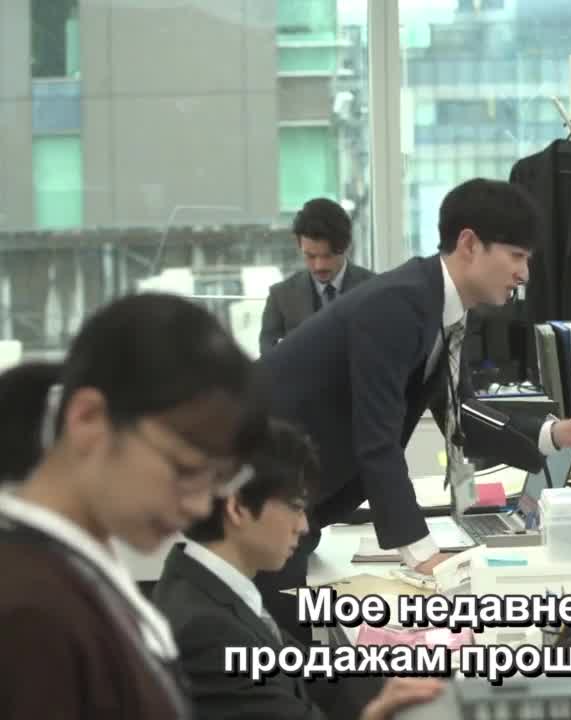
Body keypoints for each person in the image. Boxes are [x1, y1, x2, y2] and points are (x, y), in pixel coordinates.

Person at [255, 178, 571, 634]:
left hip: (299, 498)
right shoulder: (397, 304)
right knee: (279, 648)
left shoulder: (440, 306)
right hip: (260, 491)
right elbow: (376, 438)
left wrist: (557, 433)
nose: (524, 274)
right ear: (470, 244)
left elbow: (460, 415)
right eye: (517, 256)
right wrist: (422, 553)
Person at [0, 293, 270, 719]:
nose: (201, 507)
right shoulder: (31, 617)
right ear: (88, 418)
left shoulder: (74, 574)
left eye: (217, 480)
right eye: (185, 469)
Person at [152, 418, 443, 720]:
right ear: (238, 508)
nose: (304, 526)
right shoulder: (208, 630)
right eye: (295, 506)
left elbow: (306, 669)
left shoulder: (211, 586)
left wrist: (403, 670)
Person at [260, 197, 376, 354]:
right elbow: (269, 359)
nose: (319, 266)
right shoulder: (280, 297)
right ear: (299, 245)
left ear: (346, 246)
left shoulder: (375, 290)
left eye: (328, 255)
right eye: (310, 256)